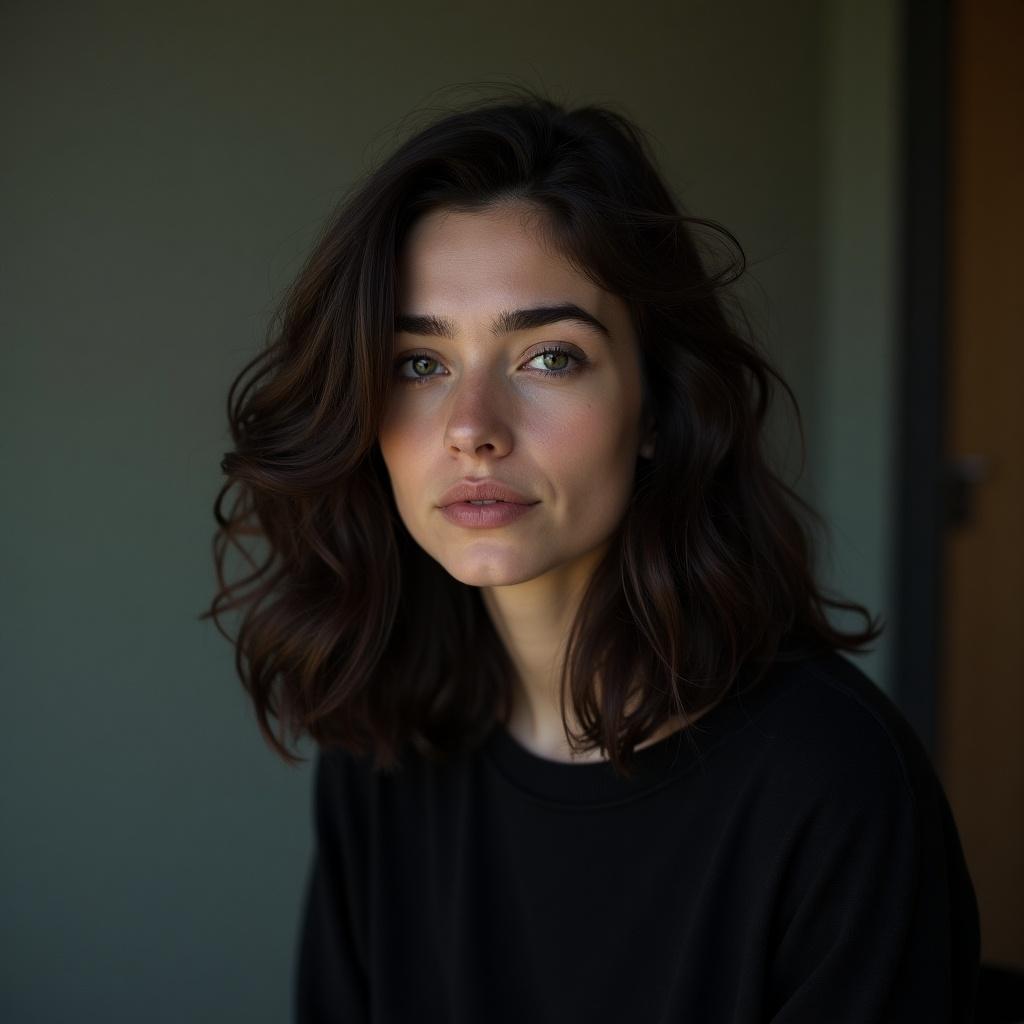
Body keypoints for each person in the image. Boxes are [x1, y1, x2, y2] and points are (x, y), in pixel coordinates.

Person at [204, 86, 980, 1022]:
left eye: (549, 357)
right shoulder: (383, 750)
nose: (472, 430)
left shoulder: (833, 784)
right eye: (420, 364)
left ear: (656, 405)